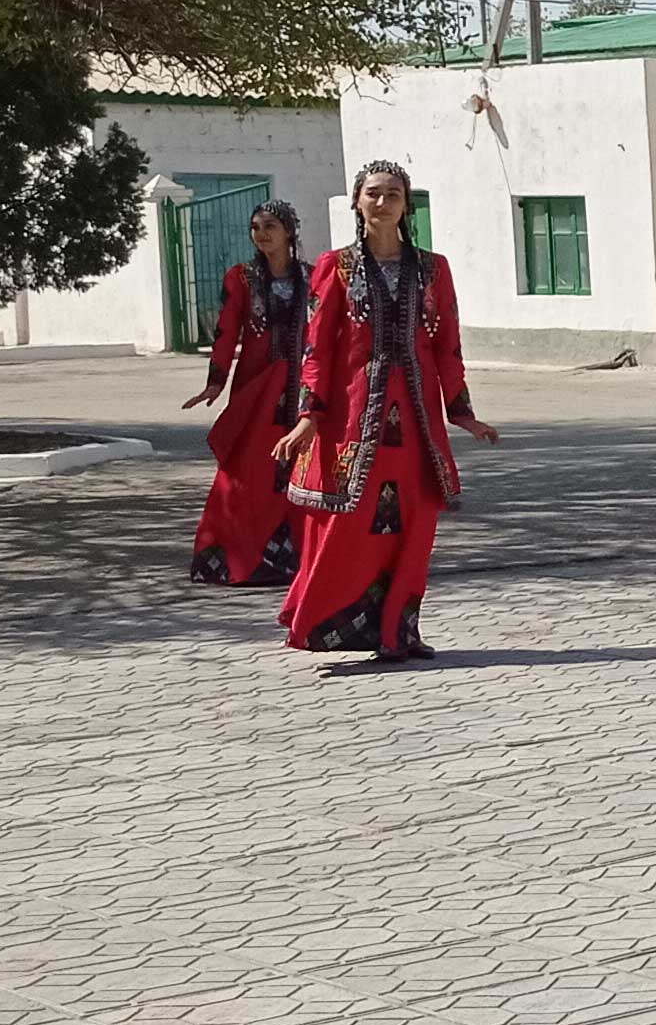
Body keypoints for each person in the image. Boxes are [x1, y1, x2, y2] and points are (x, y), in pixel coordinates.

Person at [274, 159, 497, 659]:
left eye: (392, 194)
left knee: (413, 524)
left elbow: (448, 345)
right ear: (357, 201)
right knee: (350, 526)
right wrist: (309, 416)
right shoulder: (336, 267)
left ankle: (400, 631)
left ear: (406, 204)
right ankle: (325, 621)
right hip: (352, 421)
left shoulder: (433, 269)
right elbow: (317, 348)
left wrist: (461, 412)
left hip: (415, 421)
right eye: (372, 193)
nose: (382, 202)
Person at [182, 201, 310, 586]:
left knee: (299, 471)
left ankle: (298, 557)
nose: (262, 233)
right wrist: (216, 381)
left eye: (270, 225)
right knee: (247, 472)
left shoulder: (313, 276)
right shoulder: (241, 278)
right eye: (255, 227)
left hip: (302, 389)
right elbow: (227, 330)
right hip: (257, 390)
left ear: (289, 230)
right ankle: (235, 557)